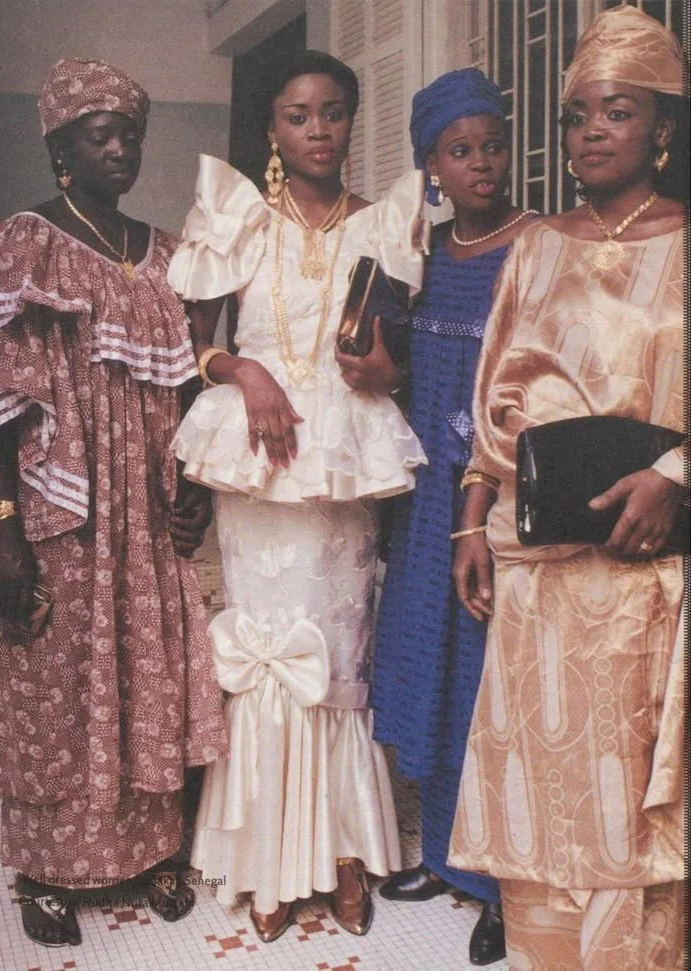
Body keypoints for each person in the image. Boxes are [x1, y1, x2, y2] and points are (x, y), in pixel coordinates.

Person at [0, 58, 227, 948]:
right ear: (59, 146)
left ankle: (149, 850)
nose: (120, 149)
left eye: (131, 135)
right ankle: (42, 866)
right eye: (98, 135)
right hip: (56, 513)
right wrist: (3, 534)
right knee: (56, 678)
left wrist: (196, 492)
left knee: (143, 666)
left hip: (145, 516)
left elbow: (189, 394)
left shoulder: (163, 255)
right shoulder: (23, 242)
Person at [167, 50, 428, 943]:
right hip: (257, 455)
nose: (317, 130)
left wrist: (387, 369)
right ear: (273, 129)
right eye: (296, 115)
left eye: (332, 112)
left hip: (345, 460)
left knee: (337, 650)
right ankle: (267, 858)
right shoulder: (238, 221)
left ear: (355, 120)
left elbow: (404, 353)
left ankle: (346, 853)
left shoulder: (386, 225)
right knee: (268, 650)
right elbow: (193, 347)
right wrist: (246, 373)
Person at [447, 8, 686, 968]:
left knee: (629, 804)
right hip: (537, 567)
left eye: (616, 112)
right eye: (577, 114)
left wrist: (674, 476)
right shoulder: (538, 245)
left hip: (641, 577)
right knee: (539, 798)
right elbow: (493, 398)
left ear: (662, 129)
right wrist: (471, 525)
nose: (590, 130)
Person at [369, 68, 535, 967]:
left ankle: (499, 884)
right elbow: (394, 371)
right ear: (430, 164)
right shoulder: (420, 253)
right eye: (459, 151)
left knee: (487, 684)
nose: (481, 164)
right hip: (425, 496)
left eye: (492, 145)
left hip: (497, 497)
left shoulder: (536, 246)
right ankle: (439, 855)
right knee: (429, 665)